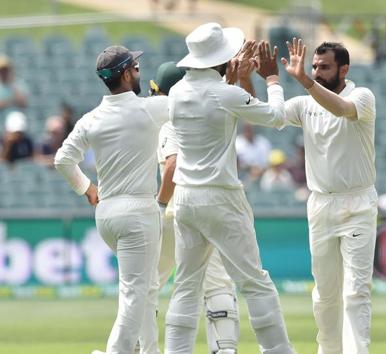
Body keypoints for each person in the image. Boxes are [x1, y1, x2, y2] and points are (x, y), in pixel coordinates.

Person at [164, 23, 295, 354]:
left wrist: (232, 78)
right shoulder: (225, 93)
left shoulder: (178, 91)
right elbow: (277, 117)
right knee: (255, 282)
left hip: (187, 198)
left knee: (186, 285)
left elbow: (215, 104)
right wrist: (271, 78)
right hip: (221, 197)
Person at [54, 45, 168, 354]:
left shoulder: (91, 118)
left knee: (145, 288)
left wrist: (87, 188)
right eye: (136, 67)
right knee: (135, 292)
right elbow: (194, 104)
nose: (140, 72)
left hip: (106, 213)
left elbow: (63, 160)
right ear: (127, 73)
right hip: (138, 212)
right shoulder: (150, 108)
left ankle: (150, 351)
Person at [281, 39, 377, 354]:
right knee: (325, 294)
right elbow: (270, 115)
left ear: (344, 69)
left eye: (325, 67)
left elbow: (343, 110)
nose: (318, 72)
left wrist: (306, 82)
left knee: (355, 292)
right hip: (321, 204)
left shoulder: (361, 96)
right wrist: (262, 80)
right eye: (315, 67)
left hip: (358, 203)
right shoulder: (305, 103)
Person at [150, 61, 241, 354]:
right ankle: (224, 348)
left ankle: (134, 347)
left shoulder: (168, 123)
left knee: (147, 285)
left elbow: (172, 164)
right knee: (217, 285)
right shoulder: (208, 117)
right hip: (211, 211)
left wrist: (159, 203)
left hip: (175, 213)